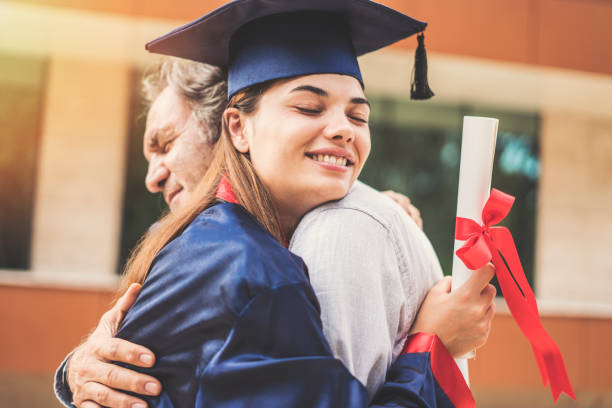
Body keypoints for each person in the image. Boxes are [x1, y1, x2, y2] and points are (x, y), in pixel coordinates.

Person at [55, 3, 496, 407]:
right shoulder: (257, 273)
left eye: (359, 116)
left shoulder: (204, 243)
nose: (344, 129)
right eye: (308, 107)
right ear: (238, 129)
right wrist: (430, 345)